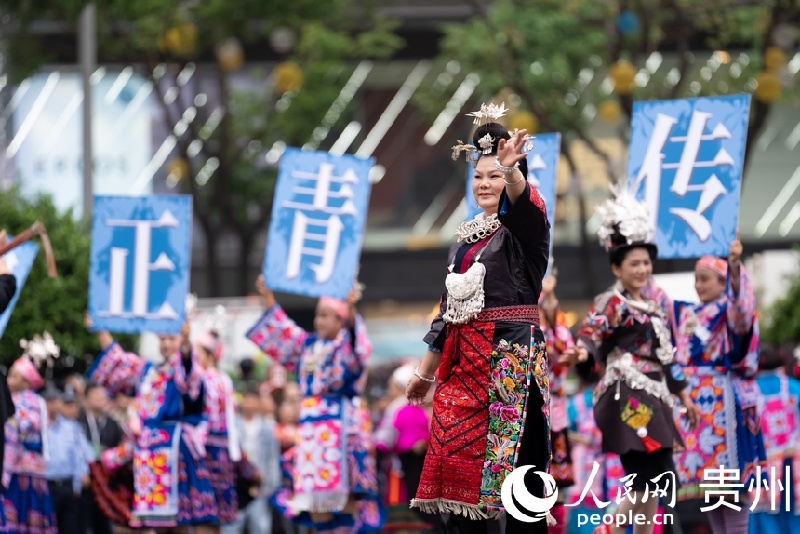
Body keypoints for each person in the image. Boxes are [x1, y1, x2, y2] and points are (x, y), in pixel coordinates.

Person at [405, 103, 552, 533]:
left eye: (495, 176)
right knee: (460, 485)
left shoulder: (527, 231)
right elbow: (447, 313)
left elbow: (522, 206)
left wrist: (512, 172)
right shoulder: (463, 242)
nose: (486, 183)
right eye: (479, 176)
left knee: (521, 483)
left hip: (510, 364)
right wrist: (425, 373)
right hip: (463, 367)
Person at [565, 184, 699, 534]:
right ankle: (608, 530)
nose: (642, 269)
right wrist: (582, 352)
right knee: (654, 475)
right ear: (617, 268)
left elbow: (668, 356)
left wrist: (685, 397)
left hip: (656, 396)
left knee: (649, 482)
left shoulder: (656, 304)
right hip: (628, 397)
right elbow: (590, 337)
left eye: (645, 262)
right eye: (634, 263)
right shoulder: (611, 303)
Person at [246, 275, 380, 533]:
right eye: (318, 315)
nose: (319, 321)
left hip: (341, 430)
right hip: (310, 433)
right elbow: (282, 329)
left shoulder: (345, 343)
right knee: (314, 497)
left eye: (326, 315)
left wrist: (351, 307)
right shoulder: (307, 346)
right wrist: (267, 296)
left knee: (345, 494)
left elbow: (358, 352)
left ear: (341, 320)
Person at [651, 239, 765, 534]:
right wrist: (638, 255)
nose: (698, 285)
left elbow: (743, 313)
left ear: (723, 282)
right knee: (711, 492)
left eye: (705, 279)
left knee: (731, 489)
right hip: (693, 407)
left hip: (724, 405)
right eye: (696, 279)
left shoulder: (730, 311)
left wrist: (734, 265)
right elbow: (655, 299)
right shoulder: (685, 313)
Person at [86, 319, 219, 532]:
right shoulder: (147, 370)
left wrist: (186, 343)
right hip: (149, 452)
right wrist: (101, 331)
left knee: (180, 520)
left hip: (176, 450)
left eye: (171, 339)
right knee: (157, 522)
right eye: (162, 339)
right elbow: (118, 361)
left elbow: (189, 374)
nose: (166, 344)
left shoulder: (183, 367)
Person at [3, 338, 58, 533]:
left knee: (19, 517)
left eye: (14, 376)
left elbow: (23, 425)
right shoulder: (16, 399)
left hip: (21, 469)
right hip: (18, 468)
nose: (9, 380)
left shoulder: (32, 401)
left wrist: (9, 423)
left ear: (26, 381)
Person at [374, 364, 436, 532]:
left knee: (404, 517)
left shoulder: (399, 407)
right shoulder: (416, 406)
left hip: (400, 469)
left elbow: (385, 440)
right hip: (414, 467)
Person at [750, 345, 800, 532]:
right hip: (793, 462)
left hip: (763, 462)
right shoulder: (794, 387)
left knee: (764, 513)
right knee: (793, 513)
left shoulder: (751, 391)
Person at [540, 272, 575, 534]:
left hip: (554, 418)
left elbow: (564, 351)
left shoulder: (557, 333)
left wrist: (550, 297)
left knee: (556, 489)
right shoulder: (520, 329)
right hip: (524, 417)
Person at [195, 330, 241, 527]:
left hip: (204, 448)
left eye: (198, 353)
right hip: (223, 449)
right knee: (216, 516)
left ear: (210, 356)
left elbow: (208, 417)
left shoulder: (203, 378)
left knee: (204, 510)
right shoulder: (225, 379)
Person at [223, 385, 281, 534]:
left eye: (252, 399)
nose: (249, 403)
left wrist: (271, 485)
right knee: (232, 527)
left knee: (261, 526)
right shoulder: (232, 426)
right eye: (246, 399)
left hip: (259, 484)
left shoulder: (267, 428)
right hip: (236, 484)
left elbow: (272, 458)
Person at [43, 385, 92, 533]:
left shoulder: (71, 427)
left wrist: (77, 483)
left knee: (70, 527)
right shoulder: (39, 427)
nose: (54, 405)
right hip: (46, 485)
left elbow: (79, 456)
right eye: (50, 401)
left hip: (67, 484)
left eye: (56, 400)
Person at [78, 382, 124, 534]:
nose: (101, 399)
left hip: (106, 480)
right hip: (85, 478)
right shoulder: (78, 421)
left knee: (104, 523)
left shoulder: (112, 424)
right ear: (86, 398)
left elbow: (118, 448)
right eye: (96, 395)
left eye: (103, 396)